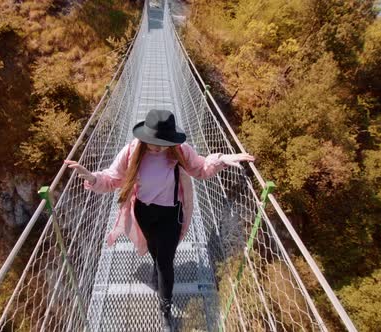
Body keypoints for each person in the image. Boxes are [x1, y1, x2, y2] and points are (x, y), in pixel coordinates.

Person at [65, 109, 254, 331]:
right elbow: (112, 178)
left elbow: (200, 169)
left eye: (164, 142)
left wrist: (221, 159)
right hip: (144, 213)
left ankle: (165, 307)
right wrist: (92, 177)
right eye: (155, 141)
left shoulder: (180, 151)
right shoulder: (132, 152)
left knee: (165, 262)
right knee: (154, 251)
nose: (159, 146)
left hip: (171, 216)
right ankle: (156, 264)